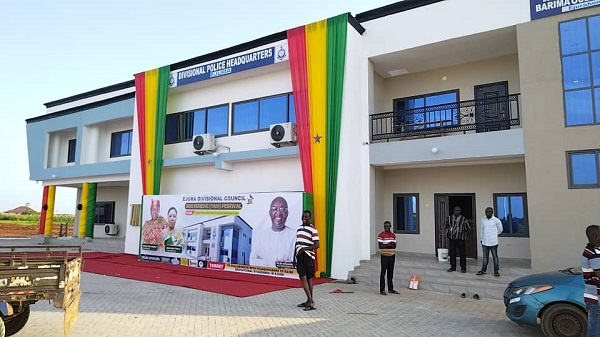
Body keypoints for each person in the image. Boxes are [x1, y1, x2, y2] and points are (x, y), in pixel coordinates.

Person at [249, 197, 296, 268]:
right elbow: (252, 261)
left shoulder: (295, 236)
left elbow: (297, 263)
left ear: (287, 213)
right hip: (264, 277)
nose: (279, 213)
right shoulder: (260, 236)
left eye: (282, 209)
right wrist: (277, 263)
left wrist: (264, 262)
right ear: (270, 213)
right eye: (274, 209)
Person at [295, 210, 320, 311]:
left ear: (310, 218)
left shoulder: (313, 229)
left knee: (308, 278)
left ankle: (310, 301)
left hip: (308, 256)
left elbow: (317, 245)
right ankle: (309, 301)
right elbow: (297, 243)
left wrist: (304, 249)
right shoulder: (299, 228)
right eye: (303, 216)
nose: (304, 218)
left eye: (306, 217)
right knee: (303, 277)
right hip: (299, 256)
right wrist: (295, 255)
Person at [582, 225, 600, 337]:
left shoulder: (592, 251)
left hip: (593, 297)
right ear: (596, 236)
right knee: (594, 331)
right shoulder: (593, 254)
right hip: (595, 299)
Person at [442, 206, 471, 273]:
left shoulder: (463, 219)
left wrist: (460, 228)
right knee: (452, 253)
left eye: (459, 210)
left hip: (460, 239)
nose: (458, 212)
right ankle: (453, 267)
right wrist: (450, 229)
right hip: (452, 238)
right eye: (457, 210)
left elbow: (468, 228)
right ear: (454, 211)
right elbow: (444, 226)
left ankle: (463, 267)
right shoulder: (449, 218)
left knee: (462, 253)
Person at [477, 207, 503, 277]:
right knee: (485, 257)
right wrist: (481, 239)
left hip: (493, 242)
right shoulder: (483, 220)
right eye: (486, 211)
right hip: (485, 241)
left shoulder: (496, 220)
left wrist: (494, 235)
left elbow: (500, 230)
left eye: (489, 211)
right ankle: (483, 270)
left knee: (495, 257)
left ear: (492, 212)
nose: (487, 213)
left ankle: (496, 271)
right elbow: (482, 230)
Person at [378, 221, 398, 295]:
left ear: (390, 226)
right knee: (383, 273)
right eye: (385, 226)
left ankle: (390, 289)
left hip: (392, 255)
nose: (386, 227)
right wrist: (389, 244)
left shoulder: (393, 235)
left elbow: (394, 246)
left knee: (390, 273)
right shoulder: (381, 235)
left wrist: (386, 244)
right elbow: (380, 246)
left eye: (388, 226)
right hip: (384, 256)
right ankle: (382, 290)